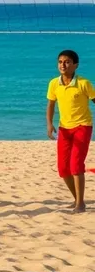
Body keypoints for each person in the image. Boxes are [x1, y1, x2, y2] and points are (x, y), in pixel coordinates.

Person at [46, 49, 95, 213]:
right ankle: (77, 199)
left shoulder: (84, 83)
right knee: (63, 169)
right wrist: (49, 124)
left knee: (75, 164)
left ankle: (80, 204)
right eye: (60, 62)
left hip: (83, 126)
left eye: (67, 62)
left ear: (75, 65)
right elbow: (51, 104)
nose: (63, 65)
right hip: (64, 128)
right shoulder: (54, 83)